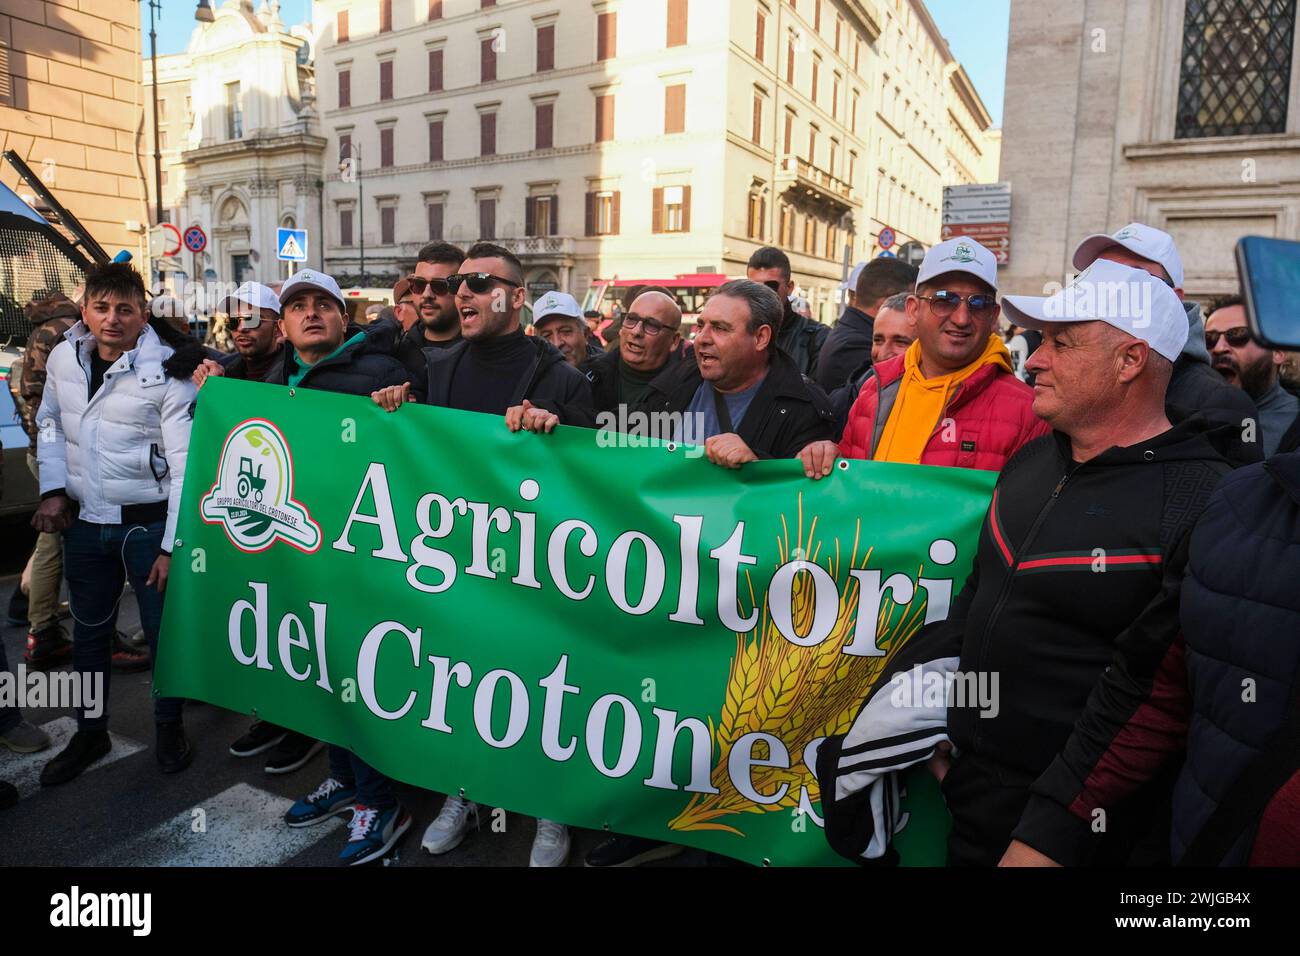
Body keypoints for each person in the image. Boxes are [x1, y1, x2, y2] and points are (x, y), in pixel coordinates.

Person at [818, 260, 1234, 867]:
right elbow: (974, 604)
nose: (1033, 359)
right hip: (971, 807)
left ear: (1130, 360)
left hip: (1088, 840)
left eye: (1060, 344)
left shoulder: (1205, 501)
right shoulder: (1033, 461)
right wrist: (937, 741)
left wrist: (1049, 833)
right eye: (1038, 342)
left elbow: (1151, 702)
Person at [372, 242, 592, 867]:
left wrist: (560, 429)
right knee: (464, 683)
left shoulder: (563, 378)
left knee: (545, 687)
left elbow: (598, 479)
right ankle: (464, 793)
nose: (459, 294)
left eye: (477, 283)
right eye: (455, 284)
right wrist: (398, 408)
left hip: (541, 569)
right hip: (459, 561)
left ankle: (553, 806)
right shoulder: (438, 370)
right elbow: (422, 456)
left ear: (514, 297)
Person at [269, 269, 417, 865]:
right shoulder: (277, 375)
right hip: (304, 554)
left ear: (342, 317)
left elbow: (417, 452)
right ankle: (345, 780)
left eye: (322, 305)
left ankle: (381, 804)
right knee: (320, 671)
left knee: (358, 680)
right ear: (282, 325)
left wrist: (404, 405)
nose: (310, 314)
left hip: (363, 555)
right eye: (297, 306)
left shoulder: (379, 371)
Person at [31, 262, 198, 784]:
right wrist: (54, 490)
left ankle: (169, 725)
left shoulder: (170, 369)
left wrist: (172, 545)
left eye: (124, 309)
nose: (112, 319)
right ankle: (90, 731)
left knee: (160, 632)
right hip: (85, 523)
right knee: (89, 634)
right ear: (85, 310)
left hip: (146, 527)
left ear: (142, 315)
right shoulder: (63, 356)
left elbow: (186, 465)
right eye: (101, 307)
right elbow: (51, 424)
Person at [802, 236, 1047, 478]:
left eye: (978, 303)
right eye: (944, 300)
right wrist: (827, 457)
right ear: (913, 309)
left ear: (993, 316)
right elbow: (849, 485)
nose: (961, 319)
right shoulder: (873, 390)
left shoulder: (1028, 413)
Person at [1072, 221, 1261, 465]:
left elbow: (1239, 497)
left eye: (1134, 278)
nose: (1112, 288)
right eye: (1100, 277)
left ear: (1174, 297)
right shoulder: (1068, 375)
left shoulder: (1219, 402)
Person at [638, 278, 834, 463]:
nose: (702, 338)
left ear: (760, 337)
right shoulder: (679, 377)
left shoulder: (803, 408)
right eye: (700, 326)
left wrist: (757, 465)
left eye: (720, 328)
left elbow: (801, 492)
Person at [15, 293, 79, 671]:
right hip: (56, 449)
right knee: (53, 543)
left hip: (38, 444)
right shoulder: (68, 332)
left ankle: (35, 617)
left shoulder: (42, 328)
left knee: (49, 541)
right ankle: (42, 630)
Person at [1205, 295, 1299, 458]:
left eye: (1237, 334)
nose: (1219, 348)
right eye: (1209, 339)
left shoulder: (1294, 421)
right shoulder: (1183, 415)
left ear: (1278, 351)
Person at [815, 257, 919, 391]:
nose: (882, 353)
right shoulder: (855, 345)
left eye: (900, 342)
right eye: (909, 300)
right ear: (889, 302)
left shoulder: (852, 334)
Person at [581, 290, 683, 416]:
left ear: (674, 340)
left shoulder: (689, 388)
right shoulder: (585, 376)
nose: (636, 331)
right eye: (631, 319)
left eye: (652, 325)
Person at [746, 246, 828, 379]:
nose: (762, 295)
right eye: (754, 288)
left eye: (771, 287)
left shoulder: (817, 339)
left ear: (789, 288)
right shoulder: (739, 333)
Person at [532, 291, 595, 368]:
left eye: (565, 331)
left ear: (585, 334)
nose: (556, 343)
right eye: (546, 335)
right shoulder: (529, 376)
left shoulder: (609, 374)